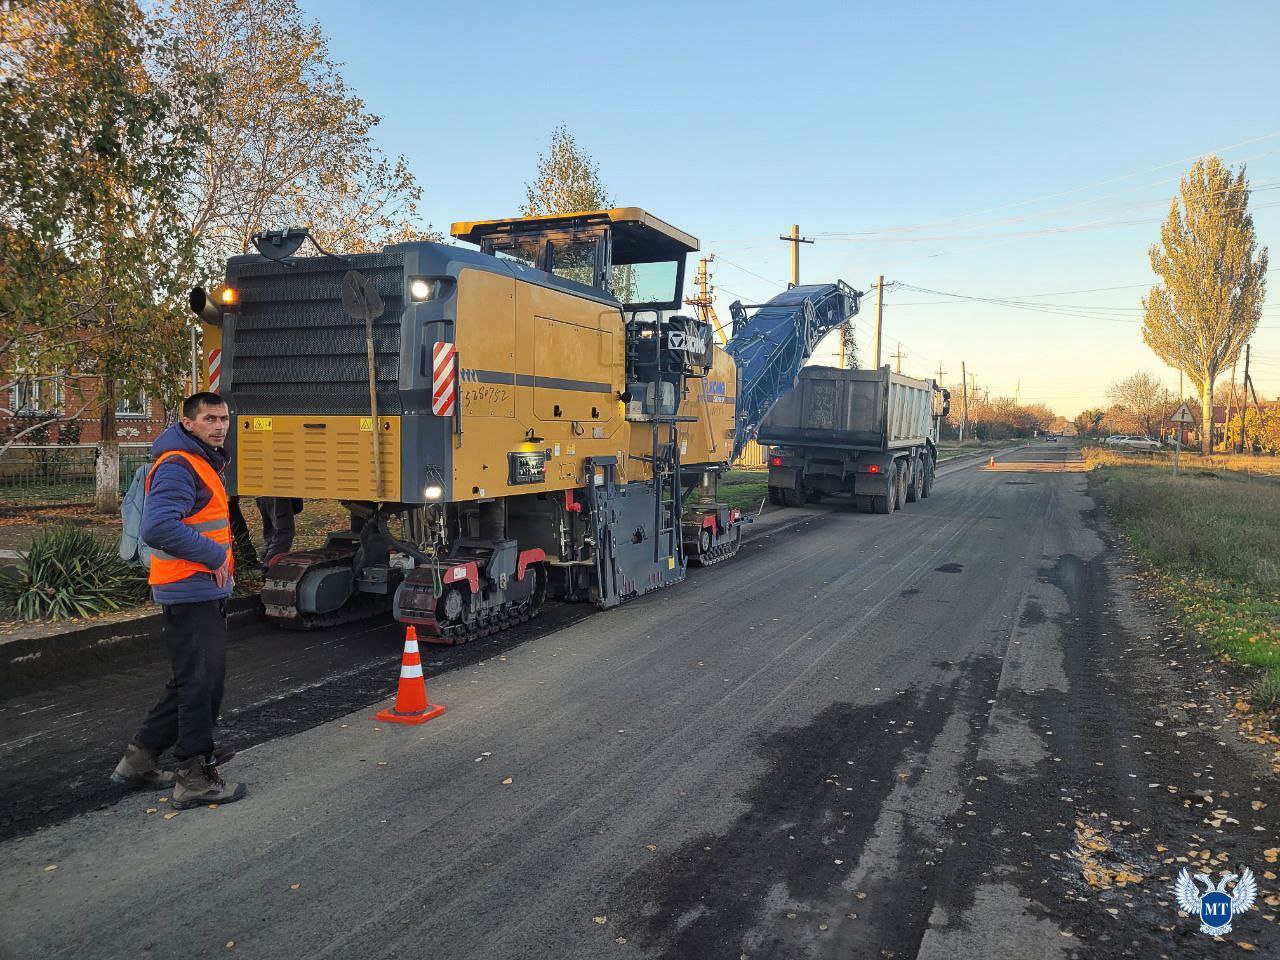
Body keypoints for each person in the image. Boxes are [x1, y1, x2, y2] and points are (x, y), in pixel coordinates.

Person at [110, 392, 246, 808]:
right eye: (209, 419)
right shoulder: (179, 465)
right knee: (201, 685)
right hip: (190, 588)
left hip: (199, 588)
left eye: (223, 418)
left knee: (189, 680)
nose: (219, 426)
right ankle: (193, 778)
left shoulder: (203, 461)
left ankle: (138, 760)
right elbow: (158, 528)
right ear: (188, 423)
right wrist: (213, 555)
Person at [255, 496, 302, 566]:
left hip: (263, 493)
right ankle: (269, 566)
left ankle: (264, 563)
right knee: (283, 533)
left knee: (271, 533)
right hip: (278, 493)